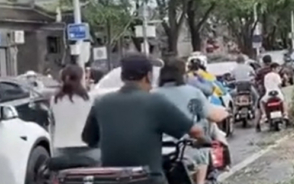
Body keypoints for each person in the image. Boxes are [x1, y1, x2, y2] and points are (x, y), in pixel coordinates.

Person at [81, 53, 208, 184]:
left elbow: (88, 138)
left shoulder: (101, 102)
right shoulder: (155, 101)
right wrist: (203, 140)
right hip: (148, 179)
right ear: (148, 76)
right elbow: (196, 132)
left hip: (111, 179)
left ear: (122, 76)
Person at [154, 59, 228, 184]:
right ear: (183, 75)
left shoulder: (152, 95)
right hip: (183, 150)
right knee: (203, 151)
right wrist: (225, 111)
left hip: (154, 153)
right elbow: (212, 116)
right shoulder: (191, 92)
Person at [50, 65, 97, 159]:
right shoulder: (90, 99)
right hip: (87, 149)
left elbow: (52, 124)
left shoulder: (54, 100)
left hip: (61, 148)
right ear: (81, 79)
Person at [259, 62, 290, 127]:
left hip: (268, 94)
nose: (278, 70)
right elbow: (279, 85)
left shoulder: (266, 76)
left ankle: (264, 114)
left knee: (261, 102)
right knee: (284, 101)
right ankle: (285, 114)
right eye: (277, 68)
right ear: (273, 68)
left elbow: (265, 85)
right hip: (277, 93)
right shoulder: (277, 75)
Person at [253, 54, 274, 132]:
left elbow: (255, 81)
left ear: (263, 62)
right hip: (276, 91)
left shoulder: (260, 71)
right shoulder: (274, 70)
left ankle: (257, 124)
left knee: (259, 108)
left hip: (265, 92)